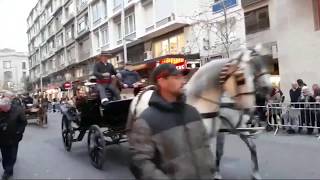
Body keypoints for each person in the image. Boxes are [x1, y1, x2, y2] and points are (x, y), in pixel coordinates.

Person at [128, 63, 215, 179]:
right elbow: (140, 162)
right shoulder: (146, 121)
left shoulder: (193, 112)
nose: (183, 81)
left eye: (183, 77)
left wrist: (210, 169)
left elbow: (205, 146)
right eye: (176, 78)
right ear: (161, 81)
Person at [0, 92, 27, 179]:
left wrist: (19, 132)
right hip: (2, 137)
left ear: (9, 106)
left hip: (14, 137)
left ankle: (8, 171)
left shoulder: (18, 110)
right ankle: (7, 170)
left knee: (12, 155)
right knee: (4, 155)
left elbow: (23, 122)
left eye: (4, 108)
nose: (3, 110)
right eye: (1, 108)